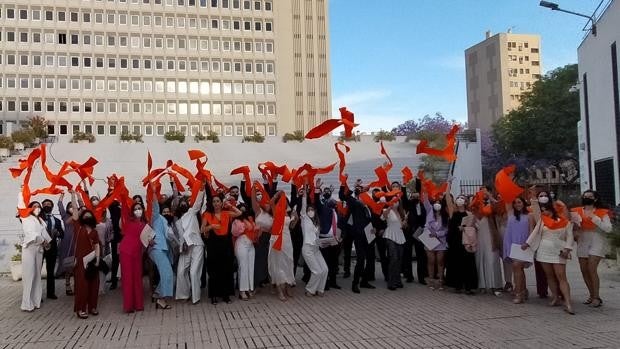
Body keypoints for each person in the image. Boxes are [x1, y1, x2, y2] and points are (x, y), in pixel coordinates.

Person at [524, 189, 575, 314]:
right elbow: (535, 232)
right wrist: (527, 244)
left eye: (546, 210)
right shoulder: (542, 220)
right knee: (549, 276)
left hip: (559, 251)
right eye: (543, 210)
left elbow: (570, 237)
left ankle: (568, 302)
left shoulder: (565, 222)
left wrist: (567, 249)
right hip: (543, 251)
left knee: (561, 276)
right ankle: (555, 297)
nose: (544, 212)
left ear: (552, 210)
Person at [571, 190, 612, 308]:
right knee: (584, 270)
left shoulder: (602, 212)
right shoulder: (576, 211)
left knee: (591, 268)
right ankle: (591, 294)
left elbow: (608, 229)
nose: (587, 198)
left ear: (595, 199)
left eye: (590, 196)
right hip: (583, 240)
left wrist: (594, 217)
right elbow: (572, 227)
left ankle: (596, 297)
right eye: (585, 196)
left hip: (597, 239)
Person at [202, 194, 241, 304]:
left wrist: (230, 205)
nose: (216, 203)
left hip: (226, 245)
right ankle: (214, 295)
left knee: (226, 270)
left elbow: (239, 213)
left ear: (221, 202)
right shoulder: (207, 214)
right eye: (214, 201)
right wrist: (211, 226)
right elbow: (202, 229)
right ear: (211, 203)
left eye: (218, 201)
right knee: (214, 270)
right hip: (213, 245)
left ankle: (226, 295)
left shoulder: (226, 213)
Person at [69, 191, 101, 319]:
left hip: (92, 260)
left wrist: (98, 259)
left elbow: (97, 245)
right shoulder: (78, 227)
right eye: (85, 216)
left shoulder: (94, 231)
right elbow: (75, 209)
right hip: (81, 261)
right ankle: (81, 309)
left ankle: (92, 307)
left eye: (89, 215)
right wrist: (73, 195)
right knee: (82, 285)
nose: (87, 217)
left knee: (94, 284)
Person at [339, 183, 375, 293]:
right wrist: (348, 185)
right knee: (360, 259)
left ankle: (364, 281)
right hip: (359, 234)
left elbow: (370, 218)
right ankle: (355, 283)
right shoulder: (355, 204)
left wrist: (373, 227)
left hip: (369, 232)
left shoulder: (368, 205)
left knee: (370, 259)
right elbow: (344, 196)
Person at [19, 195, 51, 312]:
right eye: (34, 206)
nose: (37, 208)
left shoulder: (41, 220)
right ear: (30, 208)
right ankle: (26, 304)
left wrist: (48, 242)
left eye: (38, 206)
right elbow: (31, 233)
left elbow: (44, 234)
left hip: (39, 249)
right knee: (29, 275)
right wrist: (22, 191)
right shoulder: (26, 218)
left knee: (37, 275)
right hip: (29, 248)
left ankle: (36, 301)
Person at [175, 185, 206, 304]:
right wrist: (182, 247)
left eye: (185, 202)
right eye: (181, 203)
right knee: (180, 271)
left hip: (197, 245)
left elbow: (198, 202)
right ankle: (184, 294)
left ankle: (196, 297)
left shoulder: (191, 212)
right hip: (185, 248)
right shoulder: (177, 222)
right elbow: (180, 237)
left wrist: (201, 189)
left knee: (194, 272)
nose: (183, 204)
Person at [471, 188, 503, 294]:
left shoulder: (491, 205)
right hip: (479, 237)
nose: (483, 193)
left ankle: (495, 285)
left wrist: (490, 196)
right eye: (481, 191)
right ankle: (482, 285)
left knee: (491, 259)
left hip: (490, 236)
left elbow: (499, 208)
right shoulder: (475, 206)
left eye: (485, 191)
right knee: (480, 259)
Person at [502, 197, 535, 304]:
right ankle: (523, 290)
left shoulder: (529, 216)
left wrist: (528, 243)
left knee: (517, 267)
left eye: (519, 202)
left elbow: (531, 230)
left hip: (523, 245)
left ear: (524, 203)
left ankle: (519, 293)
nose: (517, 204)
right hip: (512, 245)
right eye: (515, 202)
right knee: (518, 269)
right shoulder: (511, 214)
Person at [267, 190, 298, 301]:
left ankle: (288, 285)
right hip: (277, 238)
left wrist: (295, 219)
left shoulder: (289, 213)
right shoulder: (276, 211)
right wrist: (276, 195)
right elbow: (271, 203)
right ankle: (279, 289)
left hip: (287, 238)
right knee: (278, 263)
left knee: (288, 261)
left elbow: (292, 227)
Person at [445, 193, 478, 294]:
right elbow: (447, 198)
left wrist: (465, 228)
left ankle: (468, 286)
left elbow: (474, 228)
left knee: (467, 263)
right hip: (455, 241)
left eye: (462, 198)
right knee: (456, 263)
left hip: (466, 242)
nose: (460, 199)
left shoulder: (469, 214)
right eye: (458, 198)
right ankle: (457, 285)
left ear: (466, 201)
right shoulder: (452, 212)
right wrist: (449, 183)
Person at [299, 186, 329, 296]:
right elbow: (303, 206)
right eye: (308, 210)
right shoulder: (304, 219)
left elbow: (316, 238)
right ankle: (310, 290)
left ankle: (320, 289)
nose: (310, 211)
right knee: (317, 271)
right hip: (307, 249)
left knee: (324, 269)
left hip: (316, 248)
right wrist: (305, 195)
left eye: (312, 210)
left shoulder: (316, 222)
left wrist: (324, 243)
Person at [119, 200, 147, 313]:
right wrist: (122, 195)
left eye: (139, 208)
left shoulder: (145, 224)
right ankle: (129, 306)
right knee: (128, 278)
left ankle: (139, 304)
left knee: (137, 278)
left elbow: (147, 240)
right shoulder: (128, 222)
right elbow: (124, 211)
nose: (138, 211)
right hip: (126, 252)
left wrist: (151, 242)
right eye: (135, 209)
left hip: (137, 253)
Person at [148, 190, 175, 309]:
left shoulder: (167, 222)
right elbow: (155, 207)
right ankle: (161, 299)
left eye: (167, 211)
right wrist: (153, 192)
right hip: (156, 248)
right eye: (163, 211)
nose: (166, 213)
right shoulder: (156, 217)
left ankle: (157, 293)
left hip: (164, 249)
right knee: (167, 273)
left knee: (170, 274)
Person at [401, 179, 427, 284]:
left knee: (421, 255)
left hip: (419, 232)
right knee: (407, 254)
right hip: (409, 232)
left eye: (417, 196)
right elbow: (403, 198)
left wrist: (418, 181)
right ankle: (409, 276)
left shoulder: (421, 205)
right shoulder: (409, 204)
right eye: (413, 196)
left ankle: (421, 277)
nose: (415, 197)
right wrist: (403, 186)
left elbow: (419, 192)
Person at [422, 191, 449, 290]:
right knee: (431, 261)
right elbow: (425, 200)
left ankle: (441, 281)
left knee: (440, 262)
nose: (437, 204)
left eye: (439, 202)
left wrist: (437, 234)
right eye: (435, 202)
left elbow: (446, 230)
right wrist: (425, 188)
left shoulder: (445, 215)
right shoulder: (429, 211)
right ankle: (431, 281)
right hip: (430, 240)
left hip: (441, 241)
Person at [231, 204, 258, 300]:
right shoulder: (236, 221)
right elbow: (234, 232)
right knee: (243, 267)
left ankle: (249, 288)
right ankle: (242, 291)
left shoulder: (250, 219)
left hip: (251, 245)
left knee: (251, 267)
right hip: (241, 243)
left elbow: (255, 230)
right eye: (240, 208)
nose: (243, 209)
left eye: (244, 207)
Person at [40, 199, 64, 300]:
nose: (46, 206)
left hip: (52, 247)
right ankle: (37, 295)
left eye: (49, 204)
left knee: (50, 271)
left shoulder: (57, 220)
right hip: (40, 247)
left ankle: (51, 293)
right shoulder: (38, 219)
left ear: (52, 206)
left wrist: (57, 233)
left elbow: (62, 234)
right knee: (37, 271)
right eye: (44, 204)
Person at [382, 200, 406, 290]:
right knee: (394, 258)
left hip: (400, 236)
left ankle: (397, 280)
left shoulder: (401, 212)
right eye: (394, 201)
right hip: (390, 236)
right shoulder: (387, 209)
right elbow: (383, 217)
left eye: (397, 201)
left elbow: (402, 225)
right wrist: (389, 207)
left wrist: (404, 223)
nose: (396, 203)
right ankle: (391, 282)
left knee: (399, 259)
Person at [57, 193, 79, 295]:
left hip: (77, 241)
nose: (71, 208)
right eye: (69, 206)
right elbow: (59, 204)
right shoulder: (64, 216)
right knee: (68, 265)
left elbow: (82, 206)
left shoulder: (79, 216)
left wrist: (76, 195)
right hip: (67, 242)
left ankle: (76, 285)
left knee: (77, 265)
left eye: (73, 206)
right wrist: (62, 195)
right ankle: (67, 285)